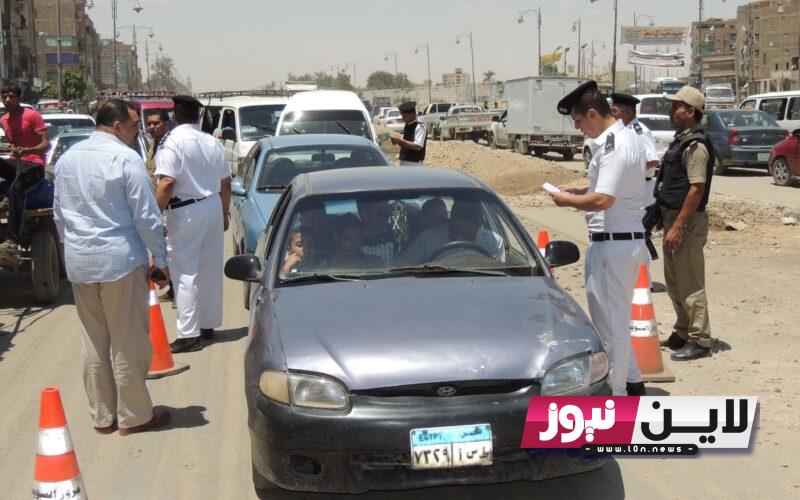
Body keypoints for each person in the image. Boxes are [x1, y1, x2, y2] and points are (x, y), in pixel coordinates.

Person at [53, 99, 171, 435]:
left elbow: (59, 215)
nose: (138, 132)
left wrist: (72, 249)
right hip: (119, 262)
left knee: (93, 341)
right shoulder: (126, 158)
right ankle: (135, 416)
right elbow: (147, 217)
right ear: (117, 126)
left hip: (80, 262)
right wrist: (160, 260)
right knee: (128, 341)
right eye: (135, 126)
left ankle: (103, 417)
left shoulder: (67, 159)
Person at [548, 81, 648, 396]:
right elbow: (609, 188)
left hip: (613, 245)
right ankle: (633, 383)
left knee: (610, 328)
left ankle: (616, 399)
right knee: (618, 322)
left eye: (578, 121)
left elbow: (604, 200)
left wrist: (567, 201)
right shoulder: (625, 138)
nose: (578, 129)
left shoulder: (614, 144)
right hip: (623, 242)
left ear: (593, 114)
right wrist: (579, 191)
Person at [155, 95, 232, 354]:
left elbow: (166, 183)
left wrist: (154, 214)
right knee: (209, 268)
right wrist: (223, 213)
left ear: (174, 116)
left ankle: (189, 334)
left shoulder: (172, 142)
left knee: (185, 272)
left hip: (185, 210)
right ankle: (206, 325)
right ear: (197, 117)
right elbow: (225, 183)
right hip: (211, 205)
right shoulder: (212, 142)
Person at [655, 86, 714, 361]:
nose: (671, 111)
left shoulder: (696, 146)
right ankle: (683, 331)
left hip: (687, 222)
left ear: (690, 112)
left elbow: (696, 189)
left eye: (676, 106)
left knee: (690, 283)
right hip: (674, 219)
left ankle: (700, 340)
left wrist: (678, 225)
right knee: (674, 282)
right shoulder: (681, 141)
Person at [0, 85, 51, 256]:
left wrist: (27, 150)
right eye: (4, 96)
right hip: (17, 165)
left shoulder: (32, 115)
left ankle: (12, 241)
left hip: (34, 165)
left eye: (11, 96)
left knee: (16, 188)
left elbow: (46, 144)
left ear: (19, 98)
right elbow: (14, 147)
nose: (7, 100)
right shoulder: (4, 120)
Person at [399, 199, 503, 265]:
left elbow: (501, 276)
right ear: (450, 221)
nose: (458, 235)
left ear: (479, 224)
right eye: (454, 229)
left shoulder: (493, 242)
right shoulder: (427, 238)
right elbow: (401, 264)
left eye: (464, 232)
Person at [357, 198, 395, 265]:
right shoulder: (352, 240)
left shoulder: (395, 235)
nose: (386, 215)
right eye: (381, 212)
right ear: (364, 214)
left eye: (387, 210)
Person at [391, 101, 427, 166]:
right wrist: (395, 140)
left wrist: (401, 142)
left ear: (412, 114)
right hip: (404, 161)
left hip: (414, 163)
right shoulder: (408, 125)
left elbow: (418, 146)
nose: (403, 118)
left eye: (405, 116)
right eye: (402, 116)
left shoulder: (420, 126)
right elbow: (407, 138)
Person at [145, 108, 172, 186]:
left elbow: (168, 180)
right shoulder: (154, 142)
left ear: (166, 124)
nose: (151, 127)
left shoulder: (171, 145)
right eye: (149, 124)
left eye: (156, 123)